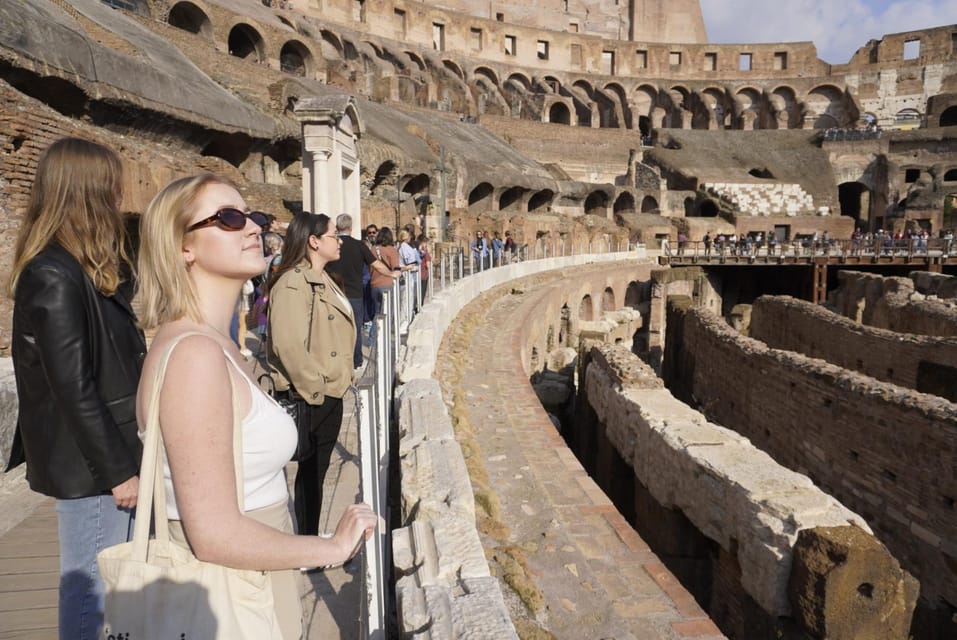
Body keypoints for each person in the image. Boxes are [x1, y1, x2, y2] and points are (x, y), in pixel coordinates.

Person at [136, 176, 376, 639]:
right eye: (228, 218)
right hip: (231, 587)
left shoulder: (216, 345)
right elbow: (214, 534)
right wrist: (330, 546)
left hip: (254, 571)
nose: (252, 228)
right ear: (183, 246)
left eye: (254, 217)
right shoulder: (195, 356)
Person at [5, 137, 146, 640]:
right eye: (109, 191)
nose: (117, 202)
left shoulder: (80, 269)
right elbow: (74, 389)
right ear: (86, 194)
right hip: (92, 466)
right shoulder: (53, 274)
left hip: (105, 455)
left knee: (108, 583)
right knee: (92, 584)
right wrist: (119, 472)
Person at [325, 213, 399, 369]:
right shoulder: (359, 246)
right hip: (355, 294)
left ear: (338, 228)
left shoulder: (332, 245)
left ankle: (336, 360)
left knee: (334, 328)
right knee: (355, 328)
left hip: (334, 292)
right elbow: (376, 264)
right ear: (351, 228)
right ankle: (356, 360)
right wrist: (391, 273)